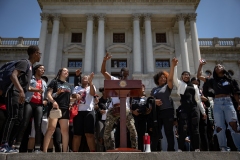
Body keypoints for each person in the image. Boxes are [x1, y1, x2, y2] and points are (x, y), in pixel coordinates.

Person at [0, 45, 41, 153]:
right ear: (35, 53)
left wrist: (38, 90)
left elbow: (27, 86)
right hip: (14, 92)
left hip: (20, 93)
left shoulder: (31, 67)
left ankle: (9, 143)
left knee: (19, 120)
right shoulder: (25, 62)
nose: (40, 56)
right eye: (39, 53)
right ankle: (4, 144)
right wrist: (21, 91)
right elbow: (13, 76)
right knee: (12, 117)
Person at [197, 60, 240, 151]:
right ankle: (223, 147)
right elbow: (199, 76)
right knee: (219, 126)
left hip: (228, 102)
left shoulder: (230, 80)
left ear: (224, 68)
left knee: (234, 125)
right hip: (217, 103)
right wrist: (200, 65)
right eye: (216, 67)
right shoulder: (213, 81)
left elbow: (235, 93)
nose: (218, 67)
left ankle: (238, 147)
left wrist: (239, 103)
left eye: (220, 66)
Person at [101, 53, 138, 150]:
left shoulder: (131, 84)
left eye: (126, 74)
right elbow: (103, 71)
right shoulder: (114, 80)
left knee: (133, 130)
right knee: (107, 131)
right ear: (120, 74)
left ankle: (134, 147)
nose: (124, 75)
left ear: (128, 75)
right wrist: (104, 61)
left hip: (125, 109)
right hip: (113, 109)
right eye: (123, 73)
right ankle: (109, 148)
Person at [172, 58, 206, 152]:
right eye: (184, 75)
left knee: (195, 129)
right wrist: (174, 66)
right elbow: (174, 78)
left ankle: (196, 148)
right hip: (184, 109)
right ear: (182, 77)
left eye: (187, 75)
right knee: (183, 128)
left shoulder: (194, 86)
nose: (186, 76)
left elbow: (198, 100)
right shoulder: (180, 84)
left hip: (194, 108)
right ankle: (180, 148)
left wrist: (203, 112)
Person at [13, 64, 47, 152]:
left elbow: (45, 94)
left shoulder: (44, 82)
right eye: (41, 69)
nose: (43, 70)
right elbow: (26, 87)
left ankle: (37, 148)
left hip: (39, 104)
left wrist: (46, 100)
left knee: (38, 125)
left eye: (44, 69)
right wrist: (37, 90)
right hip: (29, 102)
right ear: (36, 69)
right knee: (24, 123)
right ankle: (17, 145)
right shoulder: (30, 79)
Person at [43, 68, 74, 152]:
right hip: (55, 108)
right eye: (64, 71)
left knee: (65, 131)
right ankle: (44, 152)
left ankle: (64, 152)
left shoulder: (69, 85)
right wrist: (53, 101)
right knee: (51, 129)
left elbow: (69, 98)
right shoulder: (54, 82)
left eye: (67, 71)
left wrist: (75, 99)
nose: (67, 72)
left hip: (65, 108)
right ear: (60, 72)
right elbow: (48, 94)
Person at [149, 58, 175, 151]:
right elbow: (150, 100)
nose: (163, 78)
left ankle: (170, 150)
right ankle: (153, 150)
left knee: (169, 132)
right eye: (161, 77)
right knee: (156, 132)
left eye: (164, 77)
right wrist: (154, 101)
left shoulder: (168, 87)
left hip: (167, 111)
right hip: (157, 113)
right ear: (157, 79)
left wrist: (173, 66)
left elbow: (171, 78)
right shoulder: (154, 89)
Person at [71, 73, 96, 152]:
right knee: (77, 135)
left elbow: (92, 93)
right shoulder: (77, 87)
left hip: (88, 111)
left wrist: (91, 82)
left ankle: (93, 152)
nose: (85, 78)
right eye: (83, 78)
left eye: (87, 78)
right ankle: (75, 153)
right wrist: (76, 96)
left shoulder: (91, 87)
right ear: (81, 80)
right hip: (78, 112)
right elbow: (73, 95)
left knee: (89, 134)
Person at [131, 84, 151, 151]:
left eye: (142, 88)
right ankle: (134, 149)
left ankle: (141, 150)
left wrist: (141, 111)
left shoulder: (146, 99)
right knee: (134, 134)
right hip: (133, 119)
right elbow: (128, 107)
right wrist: (133, 112)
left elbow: (148, 109)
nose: (141, 89)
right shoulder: (132, 98)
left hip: (143, 119)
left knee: (141, 135)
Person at [95, 87, 111, 152]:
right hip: (101, 119)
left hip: (110, 120)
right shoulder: (99, 100)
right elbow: (95, 107)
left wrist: (108, 111)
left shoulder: (111, 100)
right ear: (103, 92)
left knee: (110, 137)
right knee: (100, 136)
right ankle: (100, 152)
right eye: (105, 91)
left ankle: (110, 152)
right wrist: (99, 110)